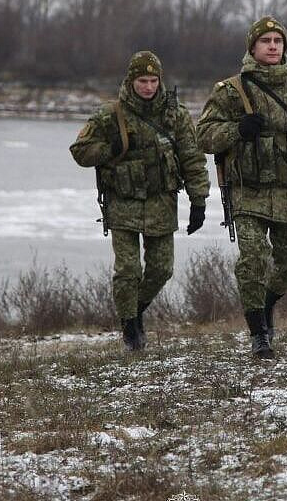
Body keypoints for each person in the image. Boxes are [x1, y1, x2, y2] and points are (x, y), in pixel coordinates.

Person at [197, 16, 287, 359]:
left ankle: (266, 303)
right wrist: (237, 130)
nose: (273, 46)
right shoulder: (231, 90)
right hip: (248, 190)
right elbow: (203, 135)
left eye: (278, 40)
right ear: (253, 47)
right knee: (254, 259)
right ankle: (259, 333)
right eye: (266, 41)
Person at [70, 51, 209, 352]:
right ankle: (131, 330)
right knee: (128, 270)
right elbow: (80, 151)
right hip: (123, 203)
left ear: (160, 81)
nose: (148, 87)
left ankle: (135, 312)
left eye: (153, 80)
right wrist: (110, 148)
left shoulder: (176, 115)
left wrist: (199, 201)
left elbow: (192, 158)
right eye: (142, 81)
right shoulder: (110, 115)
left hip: (161, 202)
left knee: (162, 269)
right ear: (131, 81)